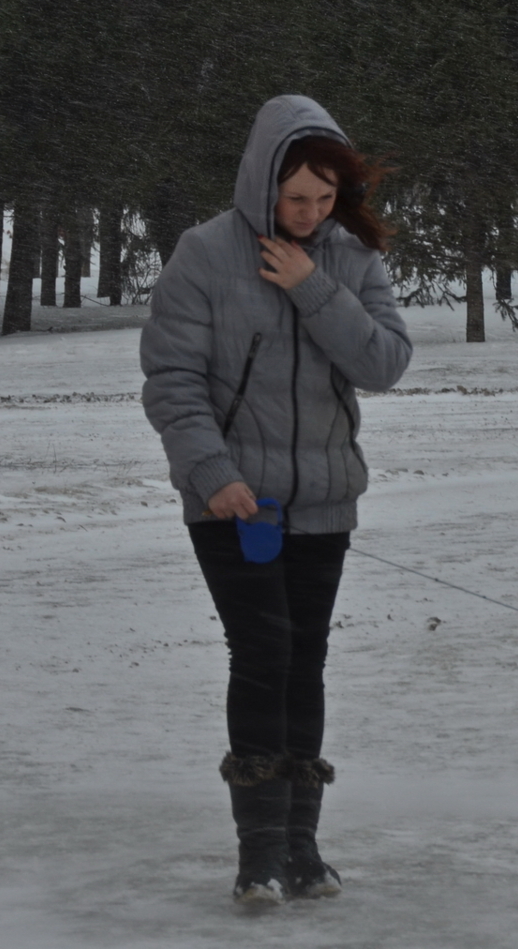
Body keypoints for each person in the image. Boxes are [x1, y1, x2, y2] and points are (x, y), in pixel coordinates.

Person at [140, 95, 412, 905]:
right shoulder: (203, 255)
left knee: (306, 663)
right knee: (264, 656)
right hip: (233, 504)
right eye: (297, 199)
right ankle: (257, 853)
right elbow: (172, 382)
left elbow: (385, 362)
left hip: (323, 502)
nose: (311, 213)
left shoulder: (350, 259)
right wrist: (213, 474)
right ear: (264, 183)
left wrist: (311, 288)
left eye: (326, 200)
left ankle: (302, 847)